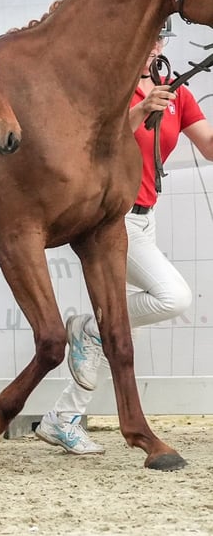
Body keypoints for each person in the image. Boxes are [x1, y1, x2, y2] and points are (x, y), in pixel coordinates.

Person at [35, 23, 213, 454]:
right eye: (148, 36)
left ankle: (64, 416)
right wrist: (138, 110)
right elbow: (95, 146)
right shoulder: (110, 93)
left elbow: (208, 145)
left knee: (109, 325)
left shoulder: (175, 93)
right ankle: (92, 330)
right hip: (114, 220)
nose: (154, 45)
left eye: (159, 38)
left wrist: (160, 101)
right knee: (173, 296)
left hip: (145, 218)